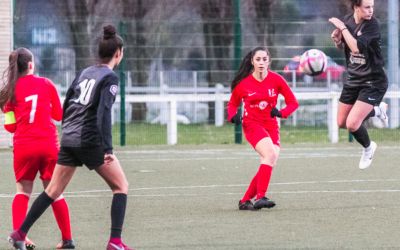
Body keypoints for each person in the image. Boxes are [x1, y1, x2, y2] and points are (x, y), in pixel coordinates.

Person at [8, 25, 133, 250]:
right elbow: (104, 112)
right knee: (121, 186)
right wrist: (108, 149)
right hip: (89, 140)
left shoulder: (85, 72)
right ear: (118, 53)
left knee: (52, 190)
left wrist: (68, 130)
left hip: (68, 138)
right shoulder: (110, 77)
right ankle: (115, 242)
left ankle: (20, 232)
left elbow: (68, 103)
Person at [0, 47, 74, 249]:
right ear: (31, 65)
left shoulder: (10, 91)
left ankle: (20, 237)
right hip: (49, 145)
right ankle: (67, 239)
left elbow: (10, 127)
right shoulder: (46, 84)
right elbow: (59, 116)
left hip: (24, 147)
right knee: (55, 191)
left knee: (23, 191)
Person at [227, 47, 299, 211]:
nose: (261, 62)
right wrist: (232, 116)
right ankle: (260, 197)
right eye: (258, 59)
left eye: (264, 59)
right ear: (252, 61)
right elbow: (232, 104)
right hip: (252, 125)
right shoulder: (244, 83)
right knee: (270, 155)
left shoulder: (277, 80)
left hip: (271, 126)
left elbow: (293, 103)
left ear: (269, 61)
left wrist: (281, 113)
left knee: (269, 160)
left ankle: (245, 200)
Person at [329, 0, 388, 170]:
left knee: (352, 123)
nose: (371, 10)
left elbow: (356, 48)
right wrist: (337, 41)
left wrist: (343, 29)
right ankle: (378, 110)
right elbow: (346, 48)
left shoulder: (372, 25)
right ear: (356, 7)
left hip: (373, 81)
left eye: (372, 7)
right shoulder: (347, 21)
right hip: (354, 79)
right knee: (341, 122)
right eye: (367, 7)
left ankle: (369, 148)